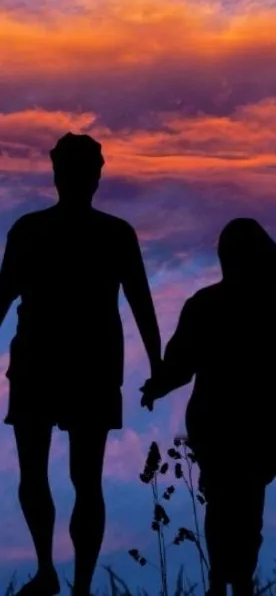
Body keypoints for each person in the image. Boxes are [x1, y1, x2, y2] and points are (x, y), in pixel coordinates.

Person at [140, 217, 276, 596]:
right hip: (261, 428)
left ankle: (222, 581)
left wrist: (158, 384)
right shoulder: (273, 309)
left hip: (218, 426)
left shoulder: (206, 305)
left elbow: (180, 364)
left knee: (223, 504)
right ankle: (238, 582)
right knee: (247, 508)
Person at [0, 133, 162, 596]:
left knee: (72, 476)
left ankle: (70, 580)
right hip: (53, 364)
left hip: (69, 365)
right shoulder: (38, 231)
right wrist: (157, 366)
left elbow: (141, 304)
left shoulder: (93, 233)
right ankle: (60, 576)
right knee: (64, 475)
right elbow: (4, 293)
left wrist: (158, 365)